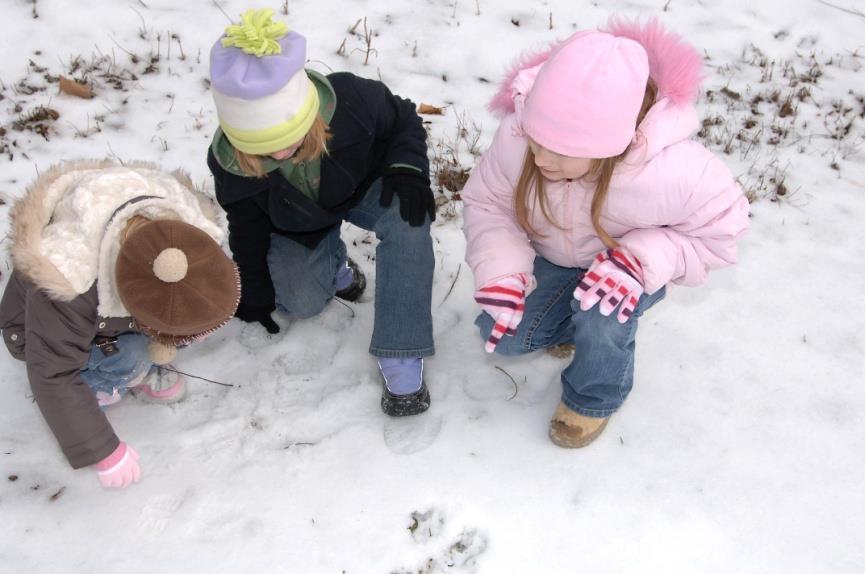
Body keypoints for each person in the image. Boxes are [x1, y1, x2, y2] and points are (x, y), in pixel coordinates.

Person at [462, 19, 750, 447]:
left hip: (626, 274)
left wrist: (639, 262)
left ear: (609, 146)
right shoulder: (519, 137)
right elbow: (488, 204)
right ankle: (568, 325)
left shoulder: (674, 171)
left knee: (603, 312)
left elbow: (721, 235)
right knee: (500, 336)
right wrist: (502, 270)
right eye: (537, 142)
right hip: (556, 263)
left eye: (560, 151)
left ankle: (593, 397)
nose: (541, 158)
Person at [206, 9, 435, 416]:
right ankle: (335, 265)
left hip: (364, 186)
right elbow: (246, 225)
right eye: (264, 148)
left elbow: (403, 119)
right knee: (300, 302)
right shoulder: (232, 164)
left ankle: (401, 349)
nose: (278, 153)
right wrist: (255, 293)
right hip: (300, 219)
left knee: (409, 220)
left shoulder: (352, 100)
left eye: (287, 139)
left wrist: (408, 169)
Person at [0, 160, 240, 487]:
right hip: (38, 334)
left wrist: (188, 325)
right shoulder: (70, 285)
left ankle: (133, 359)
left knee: (161, 333)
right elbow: (52, 372)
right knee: (130, 355)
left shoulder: (186, 228)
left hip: (106, 316)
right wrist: (103, 451)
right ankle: (99, 384)